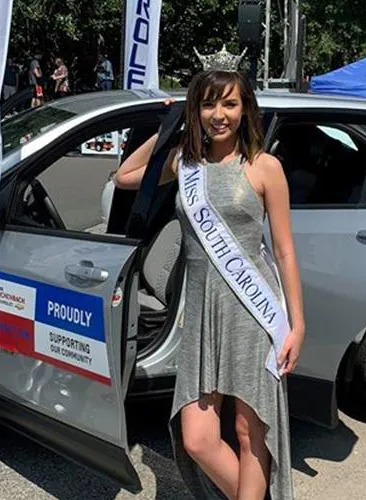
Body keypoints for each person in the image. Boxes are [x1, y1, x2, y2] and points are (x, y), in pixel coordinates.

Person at [114, 69, 305, 500]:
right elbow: (125, 177)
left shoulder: (264, 167)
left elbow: (286, 251)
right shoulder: (186, 163)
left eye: (230, 104)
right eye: (208, 104)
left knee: (248, 430)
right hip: (201, 311)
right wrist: (166, 128)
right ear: (195, 111)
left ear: (245, 109)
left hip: (253, 310)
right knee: (198, 436)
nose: (219, 115)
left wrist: (297, 324)